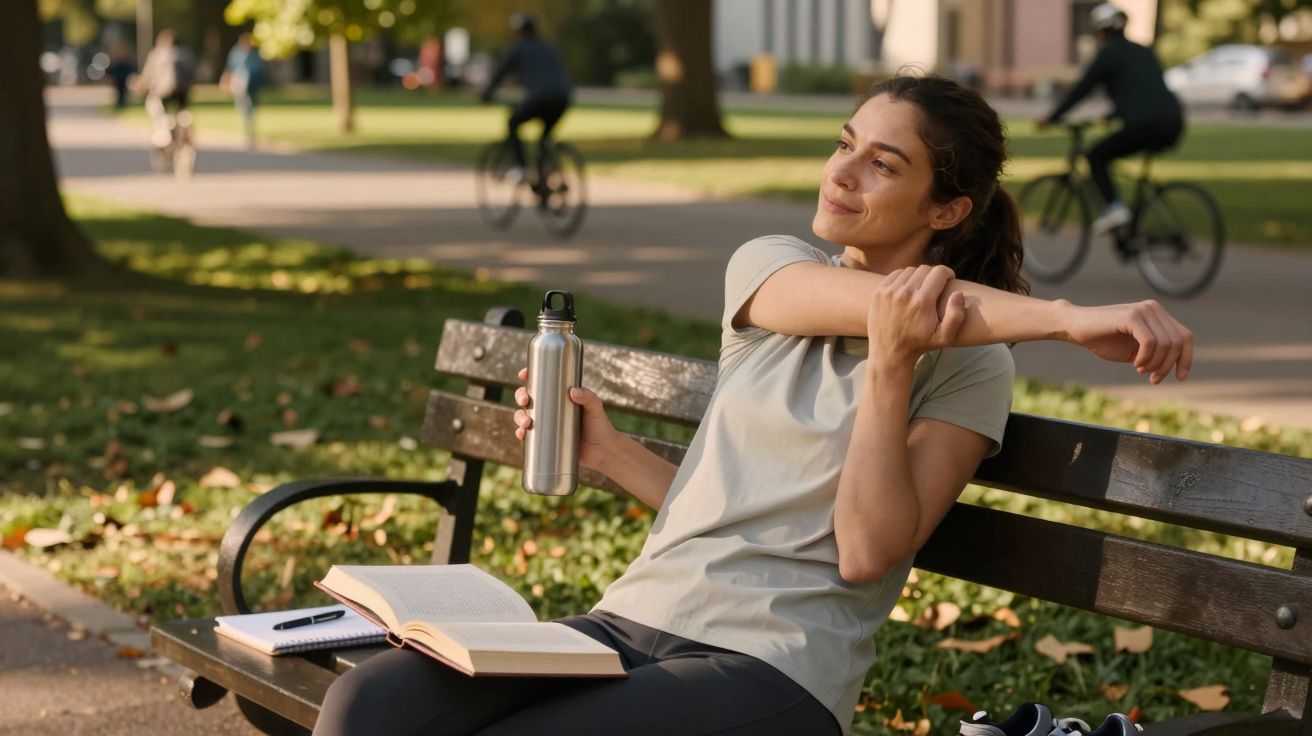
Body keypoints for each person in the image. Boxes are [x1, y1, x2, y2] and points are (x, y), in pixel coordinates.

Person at [314, 74, 1192, 736]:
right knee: (368, 703)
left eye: (882, 164)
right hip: (629, 620)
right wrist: (611, 454)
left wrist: (892, 370)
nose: (842, 173)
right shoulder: (772, 269)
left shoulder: (973, 370)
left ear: (948, 207)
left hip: (773, 668)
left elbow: (865, 553)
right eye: (844, 144)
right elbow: (873, 327)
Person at [1039, 2, 1185, 235]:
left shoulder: (1108, 53)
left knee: (1096, 156)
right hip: (1173, 122)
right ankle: (1133, 226)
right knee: (1116, 156)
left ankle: (1115, 208)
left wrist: (1052, 117)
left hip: (1144, 124)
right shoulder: (1143, 50)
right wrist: (1112, 115)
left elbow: (1083, 88)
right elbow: (1143, 91)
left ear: (1100, 30)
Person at [478, 13, 572, 194]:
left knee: (513, 123)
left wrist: (487, 95)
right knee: (544, 137)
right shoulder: (549, 47)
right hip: (562, 98)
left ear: (518, 32)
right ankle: (546, 174)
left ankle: (522, 169)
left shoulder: (518, 48)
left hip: (539, 98)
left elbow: (501, 73)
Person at [135, 29, 196, 149]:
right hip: (183, 91)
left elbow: (147, 75)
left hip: (163, 91)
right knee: (182, 112)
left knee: (154, 106)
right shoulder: (186, 54)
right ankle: (185, 130)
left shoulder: (156, 54)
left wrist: (141, 86)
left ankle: (162, 133)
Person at [221, 33, 266, 149]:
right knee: (243, 107)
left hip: (253, 84)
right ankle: (247, 131)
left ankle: (250, 133)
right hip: (240, 84)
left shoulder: (255, 53)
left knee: (251, 108)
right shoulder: (236, 53)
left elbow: (260, 68)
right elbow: (230, 67)